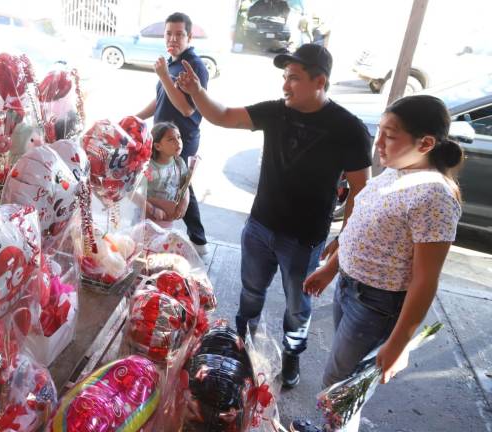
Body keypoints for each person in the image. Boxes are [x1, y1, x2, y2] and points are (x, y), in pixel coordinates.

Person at [175, 43, 372, 388]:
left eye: (293, 78)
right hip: (259, 228)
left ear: (319, 80)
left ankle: (292, 353)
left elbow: (361, 191)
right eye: (284, 77)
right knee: (251, 293)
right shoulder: (276, 112)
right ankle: (241, 344)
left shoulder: (349, 128)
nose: (285, 86)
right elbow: (222, 115)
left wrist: (344, 240)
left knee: (298, 309)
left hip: (303, 240)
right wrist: (197, 91)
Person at [302, 95, 463, 431]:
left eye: (390, 135)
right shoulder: (394, 172)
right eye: (381, 131)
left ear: (426, 143)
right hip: (351, 288)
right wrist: (331, 269)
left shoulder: (434, 196)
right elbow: (359, 225)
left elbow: (424, 280)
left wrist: (398, 343)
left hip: (377, 304)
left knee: (339, 383)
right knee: (344, 381)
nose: (379, 143)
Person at [136, 11, 209, 256]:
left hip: (180, 139)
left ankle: (197, 240)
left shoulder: (192, 65)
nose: (173, 39)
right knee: (165, 181)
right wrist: (135, 118)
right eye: (169, 33)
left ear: (190, 37)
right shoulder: (172, 62)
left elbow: (188, 109)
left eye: (179, 34)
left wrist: (165, 76)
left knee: (181, 185)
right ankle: (156, 232)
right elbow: (160, 99)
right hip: (162, 138)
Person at [145, 122, 190, 228]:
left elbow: (185, 186)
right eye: (171, 139)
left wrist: (184, 204)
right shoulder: (147, 166)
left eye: (178, 137)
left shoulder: (179, 163)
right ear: (157, 146)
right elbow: (134, 193)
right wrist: (152, 209)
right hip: (145, 218)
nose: (178, 142)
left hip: (167, 218)